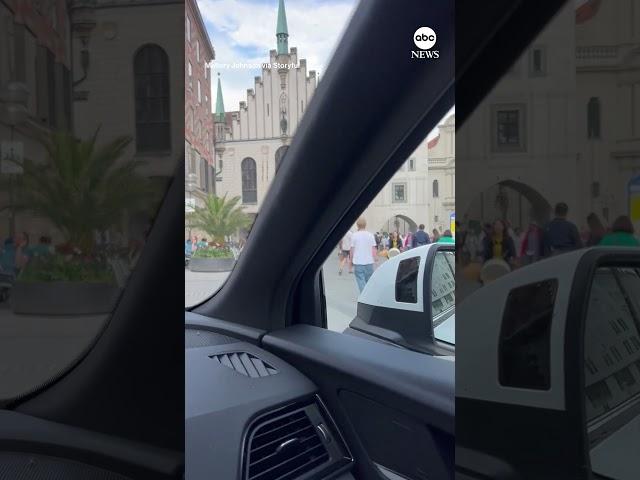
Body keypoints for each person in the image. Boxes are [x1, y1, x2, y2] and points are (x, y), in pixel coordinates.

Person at [350, 217, 377, 292]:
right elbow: (373, 249)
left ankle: (364, 296)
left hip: (358, 262)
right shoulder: (370, 235)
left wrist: (350, 261)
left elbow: (352, 250)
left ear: (357, 225)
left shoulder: (354, 235)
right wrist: (375, 258)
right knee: (369, 281)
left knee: (360, 281)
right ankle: (368, 295)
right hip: (369, 262)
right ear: (365, 225)